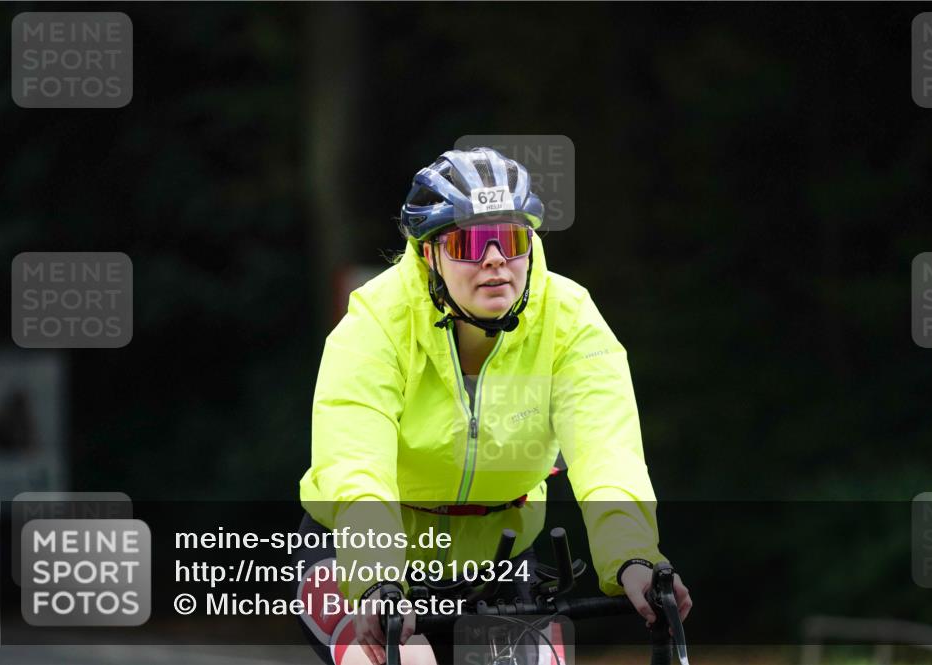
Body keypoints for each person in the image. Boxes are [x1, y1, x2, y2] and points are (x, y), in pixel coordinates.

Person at [293, 147, 692, 665]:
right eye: (469, 242)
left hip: (498, 559)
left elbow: (608, 455)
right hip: (358, 554)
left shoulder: (570, 319)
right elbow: (356, 468)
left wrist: (634, 559)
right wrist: (375, 579)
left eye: (511, 239)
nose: (495, 260)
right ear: (428, 254)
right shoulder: (375, 323)